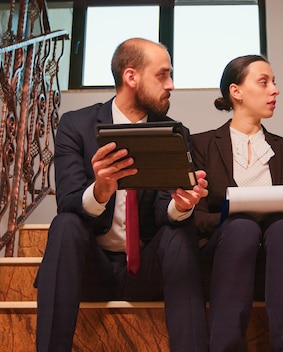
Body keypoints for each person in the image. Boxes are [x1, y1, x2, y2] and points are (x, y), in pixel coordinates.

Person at [34, 38, 209, 352]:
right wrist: (100, 191)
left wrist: (180, 206)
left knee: (180, 232)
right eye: (163, 75)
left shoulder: (175, 132)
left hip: (146, 271)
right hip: (93, 268)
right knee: (65, 225)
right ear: (132, 77)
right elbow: (69, 201)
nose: (171, 85)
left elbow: (162, 212)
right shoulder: (76, 125)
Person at [192, 55, 283, 352]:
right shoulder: (201, 144)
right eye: (264, 82)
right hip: (223, 252)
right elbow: (196, 216)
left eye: (275, 82)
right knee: (241, 227)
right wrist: (235, 217)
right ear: (236, 91)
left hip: (278, 255)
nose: (275, 90)